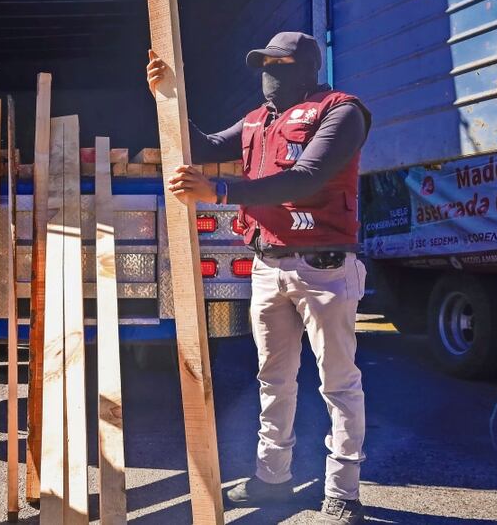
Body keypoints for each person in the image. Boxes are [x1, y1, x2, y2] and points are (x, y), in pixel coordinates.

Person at [146, 32, 371, 525]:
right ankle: (273, 480)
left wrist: (221, 190)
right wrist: (169, 97)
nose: (270, 73)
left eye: (280, 64)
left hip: (324, 268)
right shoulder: (257, 120)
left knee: (337, 382)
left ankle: (344, 490)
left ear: (307, 66)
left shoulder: (342, 111)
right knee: (273, 379)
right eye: (263, 64)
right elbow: (202, 146)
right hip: (268, 266)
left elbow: (308, 176)